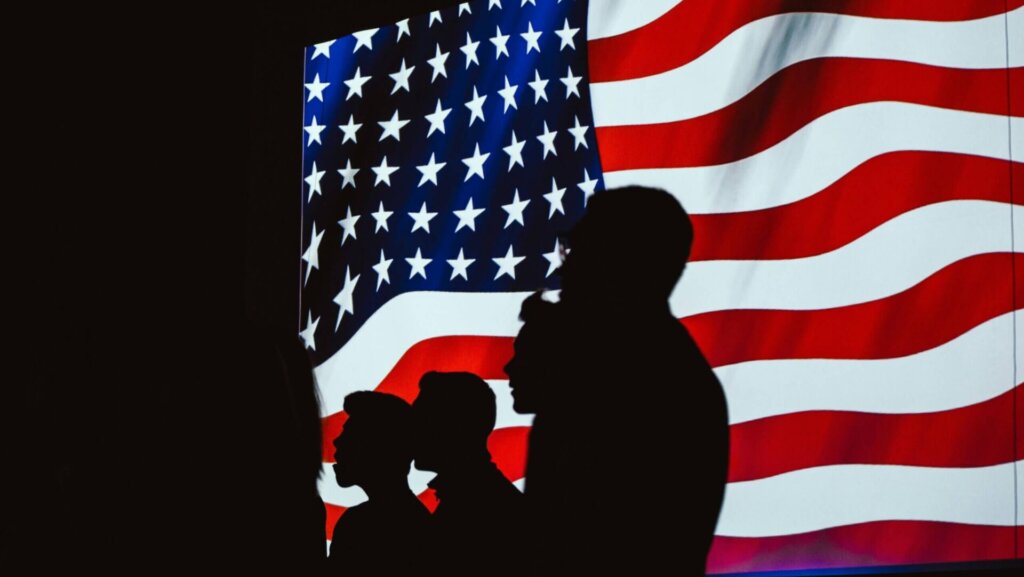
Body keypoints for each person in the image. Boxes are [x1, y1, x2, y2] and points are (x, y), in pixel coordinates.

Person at [520, 187, 730, 575]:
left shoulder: (637, 385)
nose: (566, 270)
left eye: (579, 253)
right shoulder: (643, 372)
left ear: (618, 265)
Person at [411, 371, 525, 574]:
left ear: (453, 427)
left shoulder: (483, 513)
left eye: (421, 420)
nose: (411, 431)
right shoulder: (486, 499)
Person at [327, 391, 428, 574]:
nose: (337, 441)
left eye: (351, 435)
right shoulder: (357, 522)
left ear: (376, 448)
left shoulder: (361, 526)